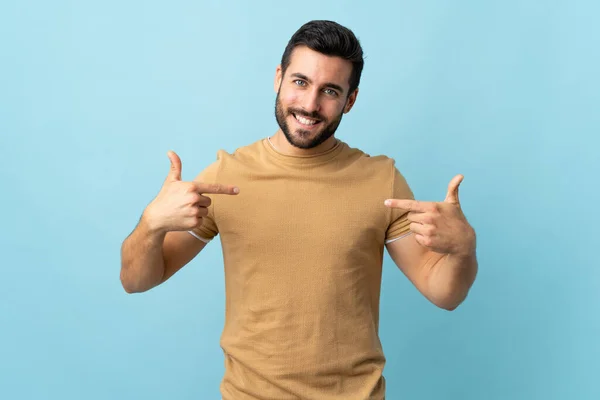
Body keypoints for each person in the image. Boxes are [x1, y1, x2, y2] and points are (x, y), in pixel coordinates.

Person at [120, 20, 478, 400]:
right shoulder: (227, 176)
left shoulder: (381, 180)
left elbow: (444, 293)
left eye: (330, 91)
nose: (310, 105)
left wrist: (463, 250)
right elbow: (137, 280)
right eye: (300, 82)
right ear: (279, 78)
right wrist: (151, 224)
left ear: (350, 100)